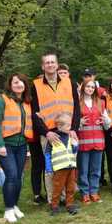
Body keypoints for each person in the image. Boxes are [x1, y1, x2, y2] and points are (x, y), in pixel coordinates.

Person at [31, 53, 80, 205]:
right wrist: (46, 132)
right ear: (43, 66)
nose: (50, 65)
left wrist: (74, 129)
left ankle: (66, 198)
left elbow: (76, 108)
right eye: (47, 63)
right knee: (51, 168)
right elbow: (34, 113)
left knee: (68, 164)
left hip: (67, 131)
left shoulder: (69, 82)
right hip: (49, 132)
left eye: (53, 62)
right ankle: (53, 199)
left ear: (57, 65)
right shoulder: (36, 85)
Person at [0, 74, 33, 223]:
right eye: (15, 82)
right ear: (10, 84)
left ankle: (15, 205)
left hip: (21, 145)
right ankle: (8, 209)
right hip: (5, 144)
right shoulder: (1, 99)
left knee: (19, 176)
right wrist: (0, 144)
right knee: (11, 175)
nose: (19, 84)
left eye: (21, 82)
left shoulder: (25, 102)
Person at [77, 79, 109, 204]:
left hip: (98, 141)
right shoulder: (77, 103)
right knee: (83, 170)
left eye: (92, 87)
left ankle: (94, 192)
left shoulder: (100, 102)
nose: (90, 89)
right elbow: (73, 123)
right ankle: (85, 193)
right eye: (88, 86)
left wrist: (104, 121)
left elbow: (107, 122)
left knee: (96, 170)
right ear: (83, 88)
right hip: (83, 141)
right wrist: (79, 123)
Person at [44, 112, 79, 216]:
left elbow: (74, 151)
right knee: (58, 187)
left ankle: (70, 204)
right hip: (59, 168)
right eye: (68, 125)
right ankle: (54, 205)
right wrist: (49, 167)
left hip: (71, 167)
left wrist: (75, 145)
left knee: (70, 187)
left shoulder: (70, 137)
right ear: (59, 126)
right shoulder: (53, 138)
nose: (70, 127)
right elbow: (47, 153)